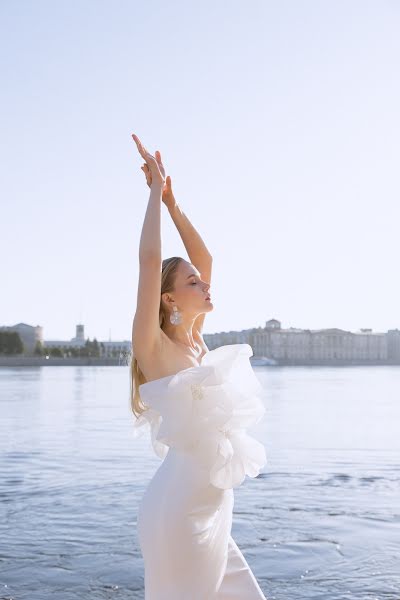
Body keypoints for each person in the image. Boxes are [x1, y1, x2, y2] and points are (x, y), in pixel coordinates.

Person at [130, 133, 268, 599]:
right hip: (178, 515)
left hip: (214, 513)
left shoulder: (198, 345)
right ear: (169, 297)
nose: (205, 283)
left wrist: (173, 201)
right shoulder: (154, 349)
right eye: (193, 282)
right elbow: (151, 262)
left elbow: (205, 259)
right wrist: (152, 193)